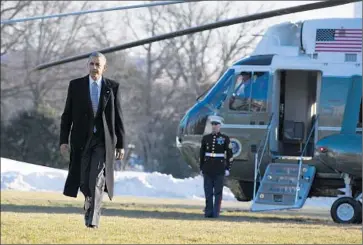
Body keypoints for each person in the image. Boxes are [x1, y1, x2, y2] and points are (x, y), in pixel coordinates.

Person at [59, 51, 125, 229]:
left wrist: (121, 144)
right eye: (91, 64)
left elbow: (118, 117)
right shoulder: (76, 86)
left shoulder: (113, 87)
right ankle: (88, 201)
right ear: (87, 65)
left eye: (98, 64)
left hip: (102, 141)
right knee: (83, 178)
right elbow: (67, 115)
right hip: (81, 140)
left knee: (96, 176)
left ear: (104, 67)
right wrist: (63, 140)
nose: (94, 68)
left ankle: (93, 218)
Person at [199, 115, 233, 218]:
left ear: (220, 126)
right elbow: (201, 154)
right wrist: (201, 167)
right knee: (208, 191)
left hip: (219, 168)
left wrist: (228, 168)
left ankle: (216, 212)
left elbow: (230, 154)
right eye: (213, 124)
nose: (214, 126)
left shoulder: (225, 138)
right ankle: (208, 211)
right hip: (208, 168)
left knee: (218, 192)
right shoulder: (206, 138)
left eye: (216, 124)